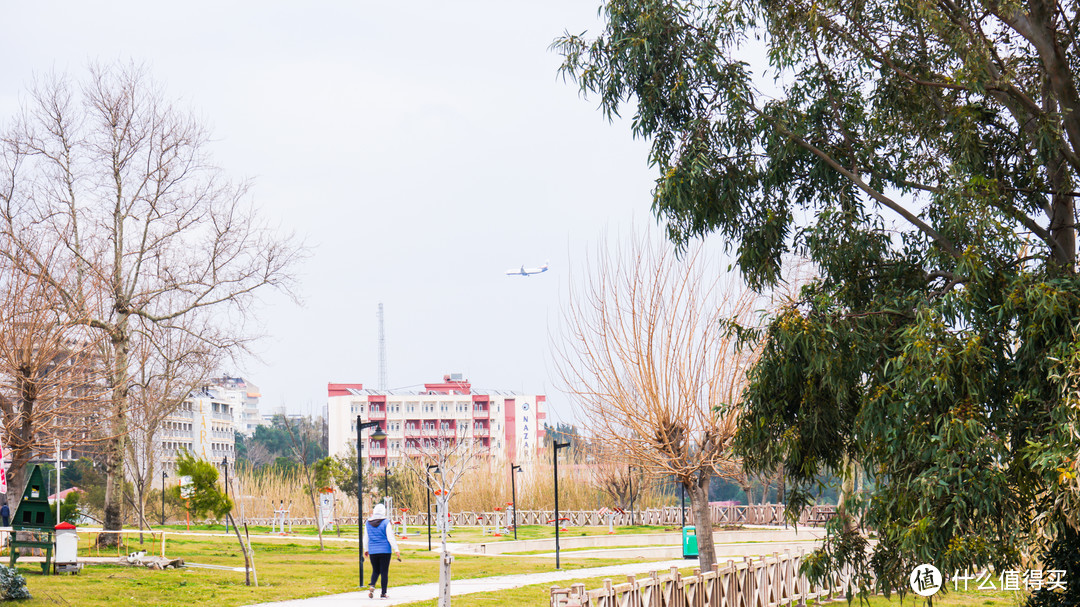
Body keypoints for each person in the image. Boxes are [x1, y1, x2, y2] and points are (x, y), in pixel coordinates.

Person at [363, 503, 400, 599]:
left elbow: (365, 537)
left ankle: (372, 586)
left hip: (373, 550)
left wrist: (366, 549)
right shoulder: (386, 522)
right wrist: (396, 549)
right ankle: (383, 593)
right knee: (384, 572)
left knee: (375, 570)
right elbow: (390, 537)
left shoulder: (368, 523)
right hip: (385, 551)